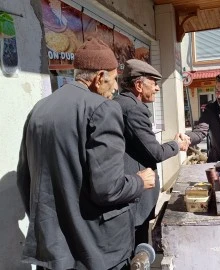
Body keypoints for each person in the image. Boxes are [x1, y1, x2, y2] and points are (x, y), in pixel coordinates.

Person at [16, 38, 156, 270]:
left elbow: (25, 180)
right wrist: (139, 182)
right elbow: (108, 189)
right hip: (97, 251)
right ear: (100, 77)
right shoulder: (102, 109)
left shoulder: (39, 109)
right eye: (113, 80)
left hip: (53, 251)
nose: (115, 89)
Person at [113, 59, 189, 246]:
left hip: (128, 189)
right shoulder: (133, 110)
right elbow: (154, 152)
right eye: (154, 83)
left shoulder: (122, 104)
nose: (157, 88)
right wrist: (176, 145)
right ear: (139, 85)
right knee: (136, 249)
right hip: (134, 194)